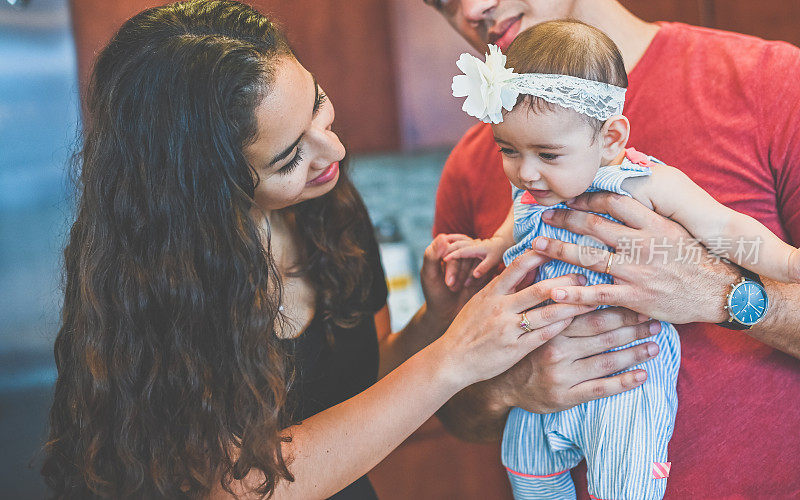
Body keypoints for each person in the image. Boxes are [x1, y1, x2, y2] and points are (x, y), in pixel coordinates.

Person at [40, 1, 599, 498]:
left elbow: (355, 384)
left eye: (317, 104)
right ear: (205, 187)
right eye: (287, 160)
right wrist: (452, 360)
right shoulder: (158, 288)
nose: (332, 148)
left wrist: (437, 322)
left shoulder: (325, 209)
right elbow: (239, 485)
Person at [425, 0, 800, 497]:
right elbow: (449, 410)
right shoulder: (494, 159)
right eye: (442, 2)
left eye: (547, 156)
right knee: (529, 470)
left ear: (611, 138)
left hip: (632, 389)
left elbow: (729, 229)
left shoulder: (769, 83)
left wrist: (742, 283)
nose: (471, 7)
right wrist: (503, 378)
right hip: (546, 418)